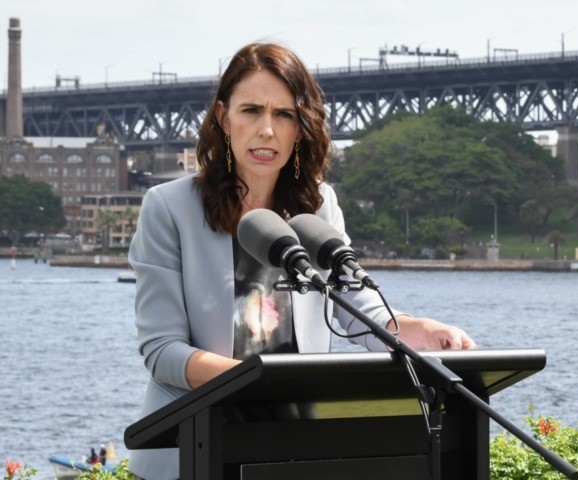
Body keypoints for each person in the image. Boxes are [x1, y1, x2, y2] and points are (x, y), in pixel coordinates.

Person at [127, 42, 476, 480]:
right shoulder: (168, 207)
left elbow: (354, 310)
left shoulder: (318, 204)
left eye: (284, 115)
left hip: (293, 451)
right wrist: (253, 382)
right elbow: (162, 351)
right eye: (250, 110)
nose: (266, 131)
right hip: (188, 453)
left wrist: (420, 330)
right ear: (222, 118)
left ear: (300, 127)